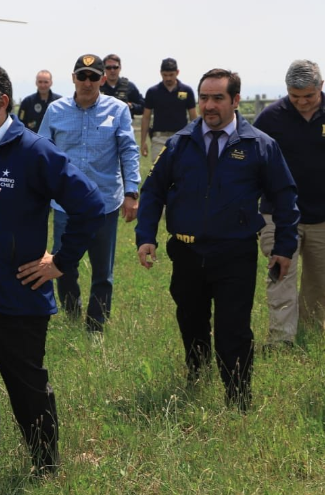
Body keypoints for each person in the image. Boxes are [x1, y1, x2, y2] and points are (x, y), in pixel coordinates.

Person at [0, 61, 104, 492]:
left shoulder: (33, 153)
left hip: (19, 303)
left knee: (28, 393)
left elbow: (89, 205)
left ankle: (47, 467)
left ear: (1, 102)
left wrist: (60, 263)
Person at [136, 69, 299, 411]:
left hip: (234, 253)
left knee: (233, 330)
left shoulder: (259, 146)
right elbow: (152, 191)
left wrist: (284, 248)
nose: (209, 106)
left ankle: (238, 400)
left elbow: (284, 199)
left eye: (218, 98)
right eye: (204, 98)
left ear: (236, 100)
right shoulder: (180, 143)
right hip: (187, 251)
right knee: (191, 320)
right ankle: (197, 374)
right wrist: (145, 236)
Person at [38, 54, 140, 333]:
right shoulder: (55, 111)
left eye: (93, 77)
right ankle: (72, 316)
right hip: (64, 205)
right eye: (81, 76)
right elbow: (42, 153)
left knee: (102, 272)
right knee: (63, 265)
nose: (87, 82)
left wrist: (132, 191)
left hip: (105, 202)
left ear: (103, 79)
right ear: (72, 78)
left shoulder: (117, 110)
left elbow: (128, 151)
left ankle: (96, 326)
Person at [255, 59, 325, 346]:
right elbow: (252, 165)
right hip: (279, 215)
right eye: (295, 97)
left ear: (321, 87)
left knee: (319, 283)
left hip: (322, 215)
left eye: (308, 96)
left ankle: (311, 333)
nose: (302, 102)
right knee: (280, 275)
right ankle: (281, 341)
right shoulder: (270, 118)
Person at [141, 57, 198, 161]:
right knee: (158, 174)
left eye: (171, 75)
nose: (168, 78)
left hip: (181, 138)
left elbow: (193, 117)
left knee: (181, 173)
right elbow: (146, 117)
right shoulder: (153, 92)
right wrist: (143, 142)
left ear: (177, 72)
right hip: (158, 139)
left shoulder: (187, 91)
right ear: (160, 73)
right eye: (165, 75)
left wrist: (196, 139)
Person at [100, 53, 145, 117]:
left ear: (120, 68)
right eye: (108, 68)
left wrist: (131, 106)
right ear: (104, 69)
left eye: (115, 67)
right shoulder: (98, 87)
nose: (112, 70)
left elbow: (143, 107)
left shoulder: (129, 86)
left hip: (123, 124)